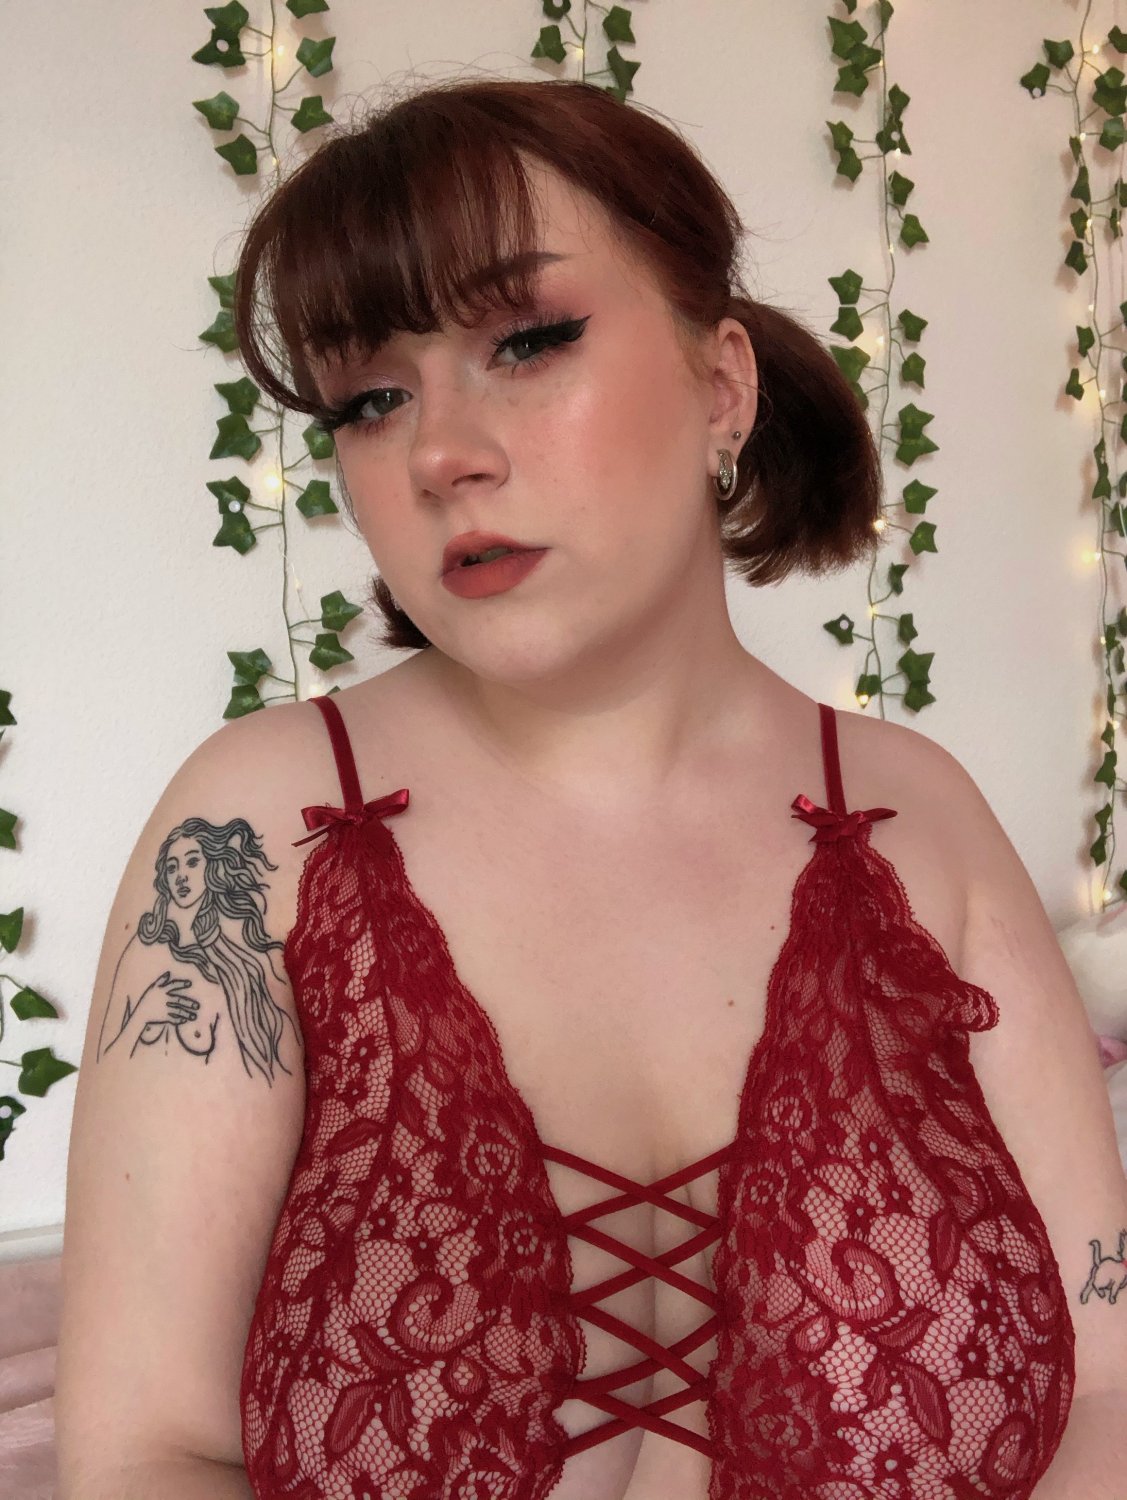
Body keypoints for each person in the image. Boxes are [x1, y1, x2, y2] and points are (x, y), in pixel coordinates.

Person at [57, 75, 1121, 1500]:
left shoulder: (922, 822)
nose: (441, 454)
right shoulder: (252, 830)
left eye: (528, 340)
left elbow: (1110, 1388)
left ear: (721, 385)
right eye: (370, 399)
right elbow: (143, 1454)